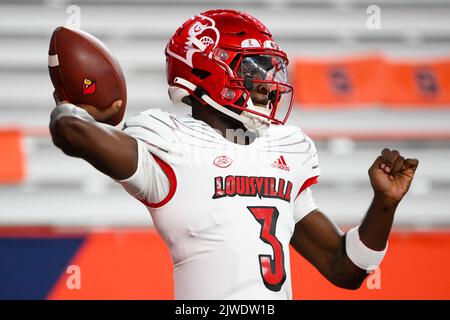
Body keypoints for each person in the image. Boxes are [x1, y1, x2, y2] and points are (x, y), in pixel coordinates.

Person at [49, 9, 419, 299]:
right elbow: (70, 130)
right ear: (207, 68)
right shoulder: (168, 140)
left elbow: (345, 268)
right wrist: (79, 109)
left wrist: (384, 205)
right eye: (254, 67)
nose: (269, 82)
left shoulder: (286, 147)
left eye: (270, 68)